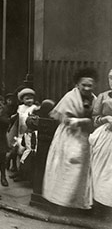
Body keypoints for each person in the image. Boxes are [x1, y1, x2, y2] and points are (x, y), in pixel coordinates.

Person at [43, 67, 97, 209]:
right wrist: (79, 121)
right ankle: (60, 201)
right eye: (83, 85)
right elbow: (64, 118)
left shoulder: (95, 99)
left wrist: (87, 123)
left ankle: (76, 201)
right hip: (68, 136)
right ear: (77, 85)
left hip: (85, 136)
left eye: (89, 85)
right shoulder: (70, 97)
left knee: (81, 169)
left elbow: (95, 118)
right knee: (68, 165)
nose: (86, 88)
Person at [89, 68, 112, 208]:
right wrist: (106, 119)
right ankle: (100, 202)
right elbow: (94, 119)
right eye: (110, 77)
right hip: (105, 136)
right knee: (100, 169)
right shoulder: (103, 97)